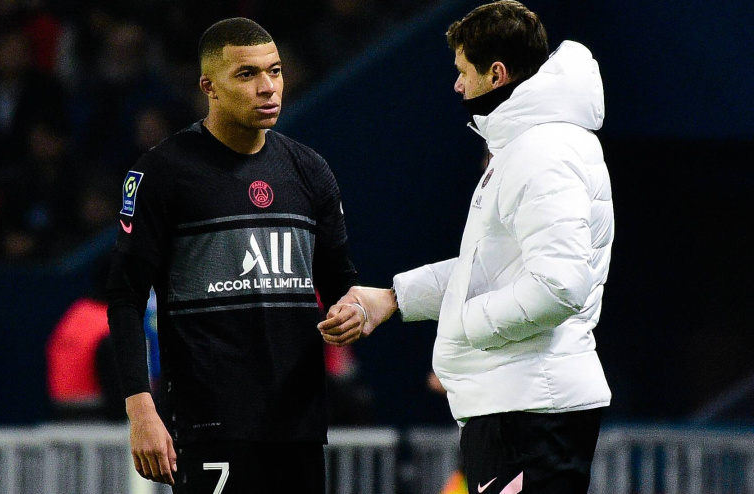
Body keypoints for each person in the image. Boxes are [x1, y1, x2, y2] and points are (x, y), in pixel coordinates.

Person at [319, 1, 614, 493]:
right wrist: (393, 298)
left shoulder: (542, 152)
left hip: (529, 411)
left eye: (463, 71)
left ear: (496, 74)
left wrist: (463, 324)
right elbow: (493, 270)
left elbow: (559, 286)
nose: (457, 85)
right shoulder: (527, 146)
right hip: (519, 407)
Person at [106, 17, 361, 492]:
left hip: (298, 428)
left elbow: (341, 282)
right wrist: (140, 408)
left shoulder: (310, 170)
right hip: (210, 426)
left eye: (275, 71)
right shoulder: (162, 173)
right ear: (209, 86)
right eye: (247, 74)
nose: (268, 87)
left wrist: (355, 311)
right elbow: (125, 298)